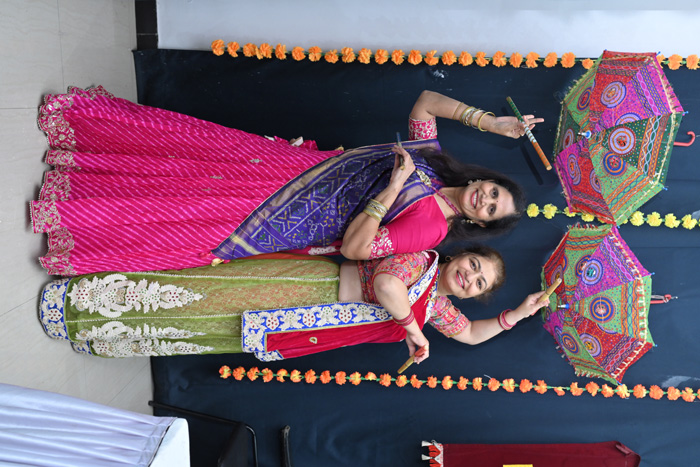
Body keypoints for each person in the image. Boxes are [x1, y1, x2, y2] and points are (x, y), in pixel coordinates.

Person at [30, 87, 542, 276]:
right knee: (194, 162)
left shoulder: (431, 229)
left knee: (190, 213)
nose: (486, 198)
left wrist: (391, 188)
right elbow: (426, 102)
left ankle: (76, 213)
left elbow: (358, 250)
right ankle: (84, 156)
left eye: (490, 209)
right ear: (486, 179)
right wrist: (491, 123)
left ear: (479, 223)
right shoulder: (433, 159)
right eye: (494, 191)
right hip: (286, 168)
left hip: (286, 219)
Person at [39, 247, 548, 361]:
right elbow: (389, 287)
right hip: (304, 288)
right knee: (203, 294)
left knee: (211, 330)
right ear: (461, 255)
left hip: (304, 327)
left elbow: (472, 334)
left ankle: (94, 330)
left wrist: (519, 314)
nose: (470, 277)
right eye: (474, 265)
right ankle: (77, 301)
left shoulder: (438, 306)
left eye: (478, 283)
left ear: (473, 294)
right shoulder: (422, 260)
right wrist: (414, 333)